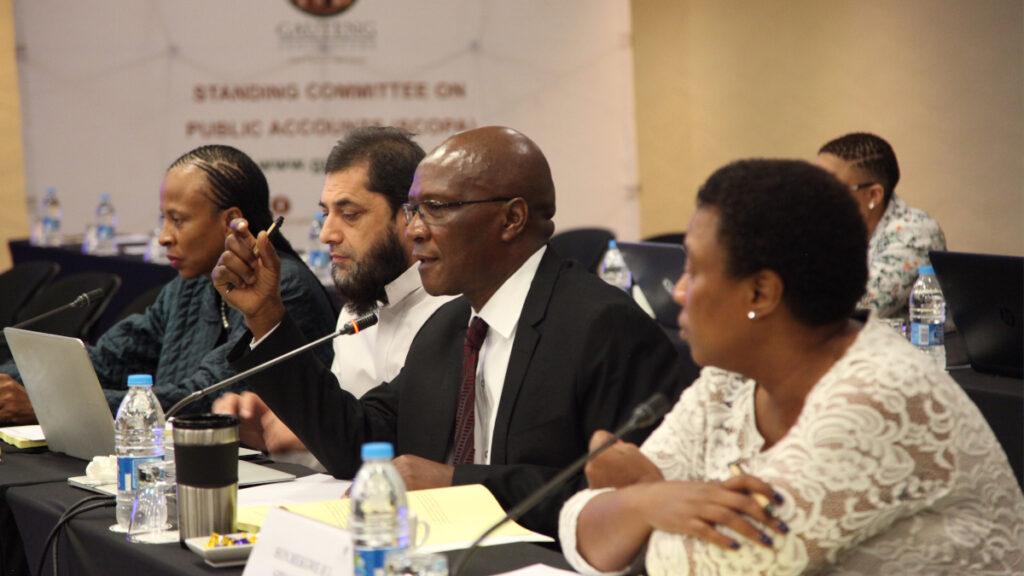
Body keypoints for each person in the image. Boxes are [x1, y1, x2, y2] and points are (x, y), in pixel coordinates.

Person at [213, 126, 684, 538]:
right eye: (413, 210)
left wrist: (457, 484)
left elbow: (626, 497)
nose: (414, 231)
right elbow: (356, 443)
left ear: (512, 218)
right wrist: (267, 316)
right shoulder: (449, 328)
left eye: (436, 209)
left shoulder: (602, 327)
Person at [558, 159, 1024, 575]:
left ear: (761, 293)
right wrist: (650, 499)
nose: (678, 292)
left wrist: (637, 502)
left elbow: (718, 567)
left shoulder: (877, 396)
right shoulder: (729, 379)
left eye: (694, 271)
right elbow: (581, 534)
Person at [0, 145, 337, 421]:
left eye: (178, 220)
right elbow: (109, 361)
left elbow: (206, 399)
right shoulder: (189, 286)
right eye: (164, 219)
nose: (163, 237)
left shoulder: (284, 290)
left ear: (232, 221)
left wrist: (52, 406)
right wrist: (14, 381)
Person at [212, 127, 453, 467]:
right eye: (326, 214)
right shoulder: (356, 308)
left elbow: (389, 448)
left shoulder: (451, 312)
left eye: (349, 214)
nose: (327, 234)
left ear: (409, 217)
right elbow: (347, 441)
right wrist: (284, 433)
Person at [816, 132, 946, 319]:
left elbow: (859, 306)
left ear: (873, 195)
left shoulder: (915, 231)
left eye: (828, 186)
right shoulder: (829, 229)